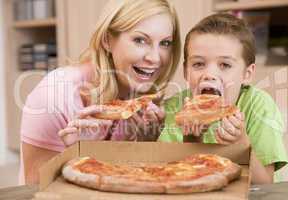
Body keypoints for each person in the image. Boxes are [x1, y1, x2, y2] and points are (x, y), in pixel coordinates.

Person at [20, 0, 181, 185]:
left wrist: (146, 147)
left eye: (165, 43)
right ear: (107, 40)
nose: (154, 58)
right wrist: (81, 152)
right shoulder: (54, 95)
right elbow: (35, 188)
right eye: (140, 40)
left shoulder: (147, 104)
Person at [159, 13, 287, 184]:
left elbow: (265, 184)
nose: (209, 74)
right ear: (186, 72)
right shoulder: (175, 108)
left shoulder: (259, 106)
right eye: (198, 64)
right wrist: (192, 140)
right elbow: (176, 178)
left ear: (247, 74)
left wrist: (241, 143)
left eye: (225, 65)